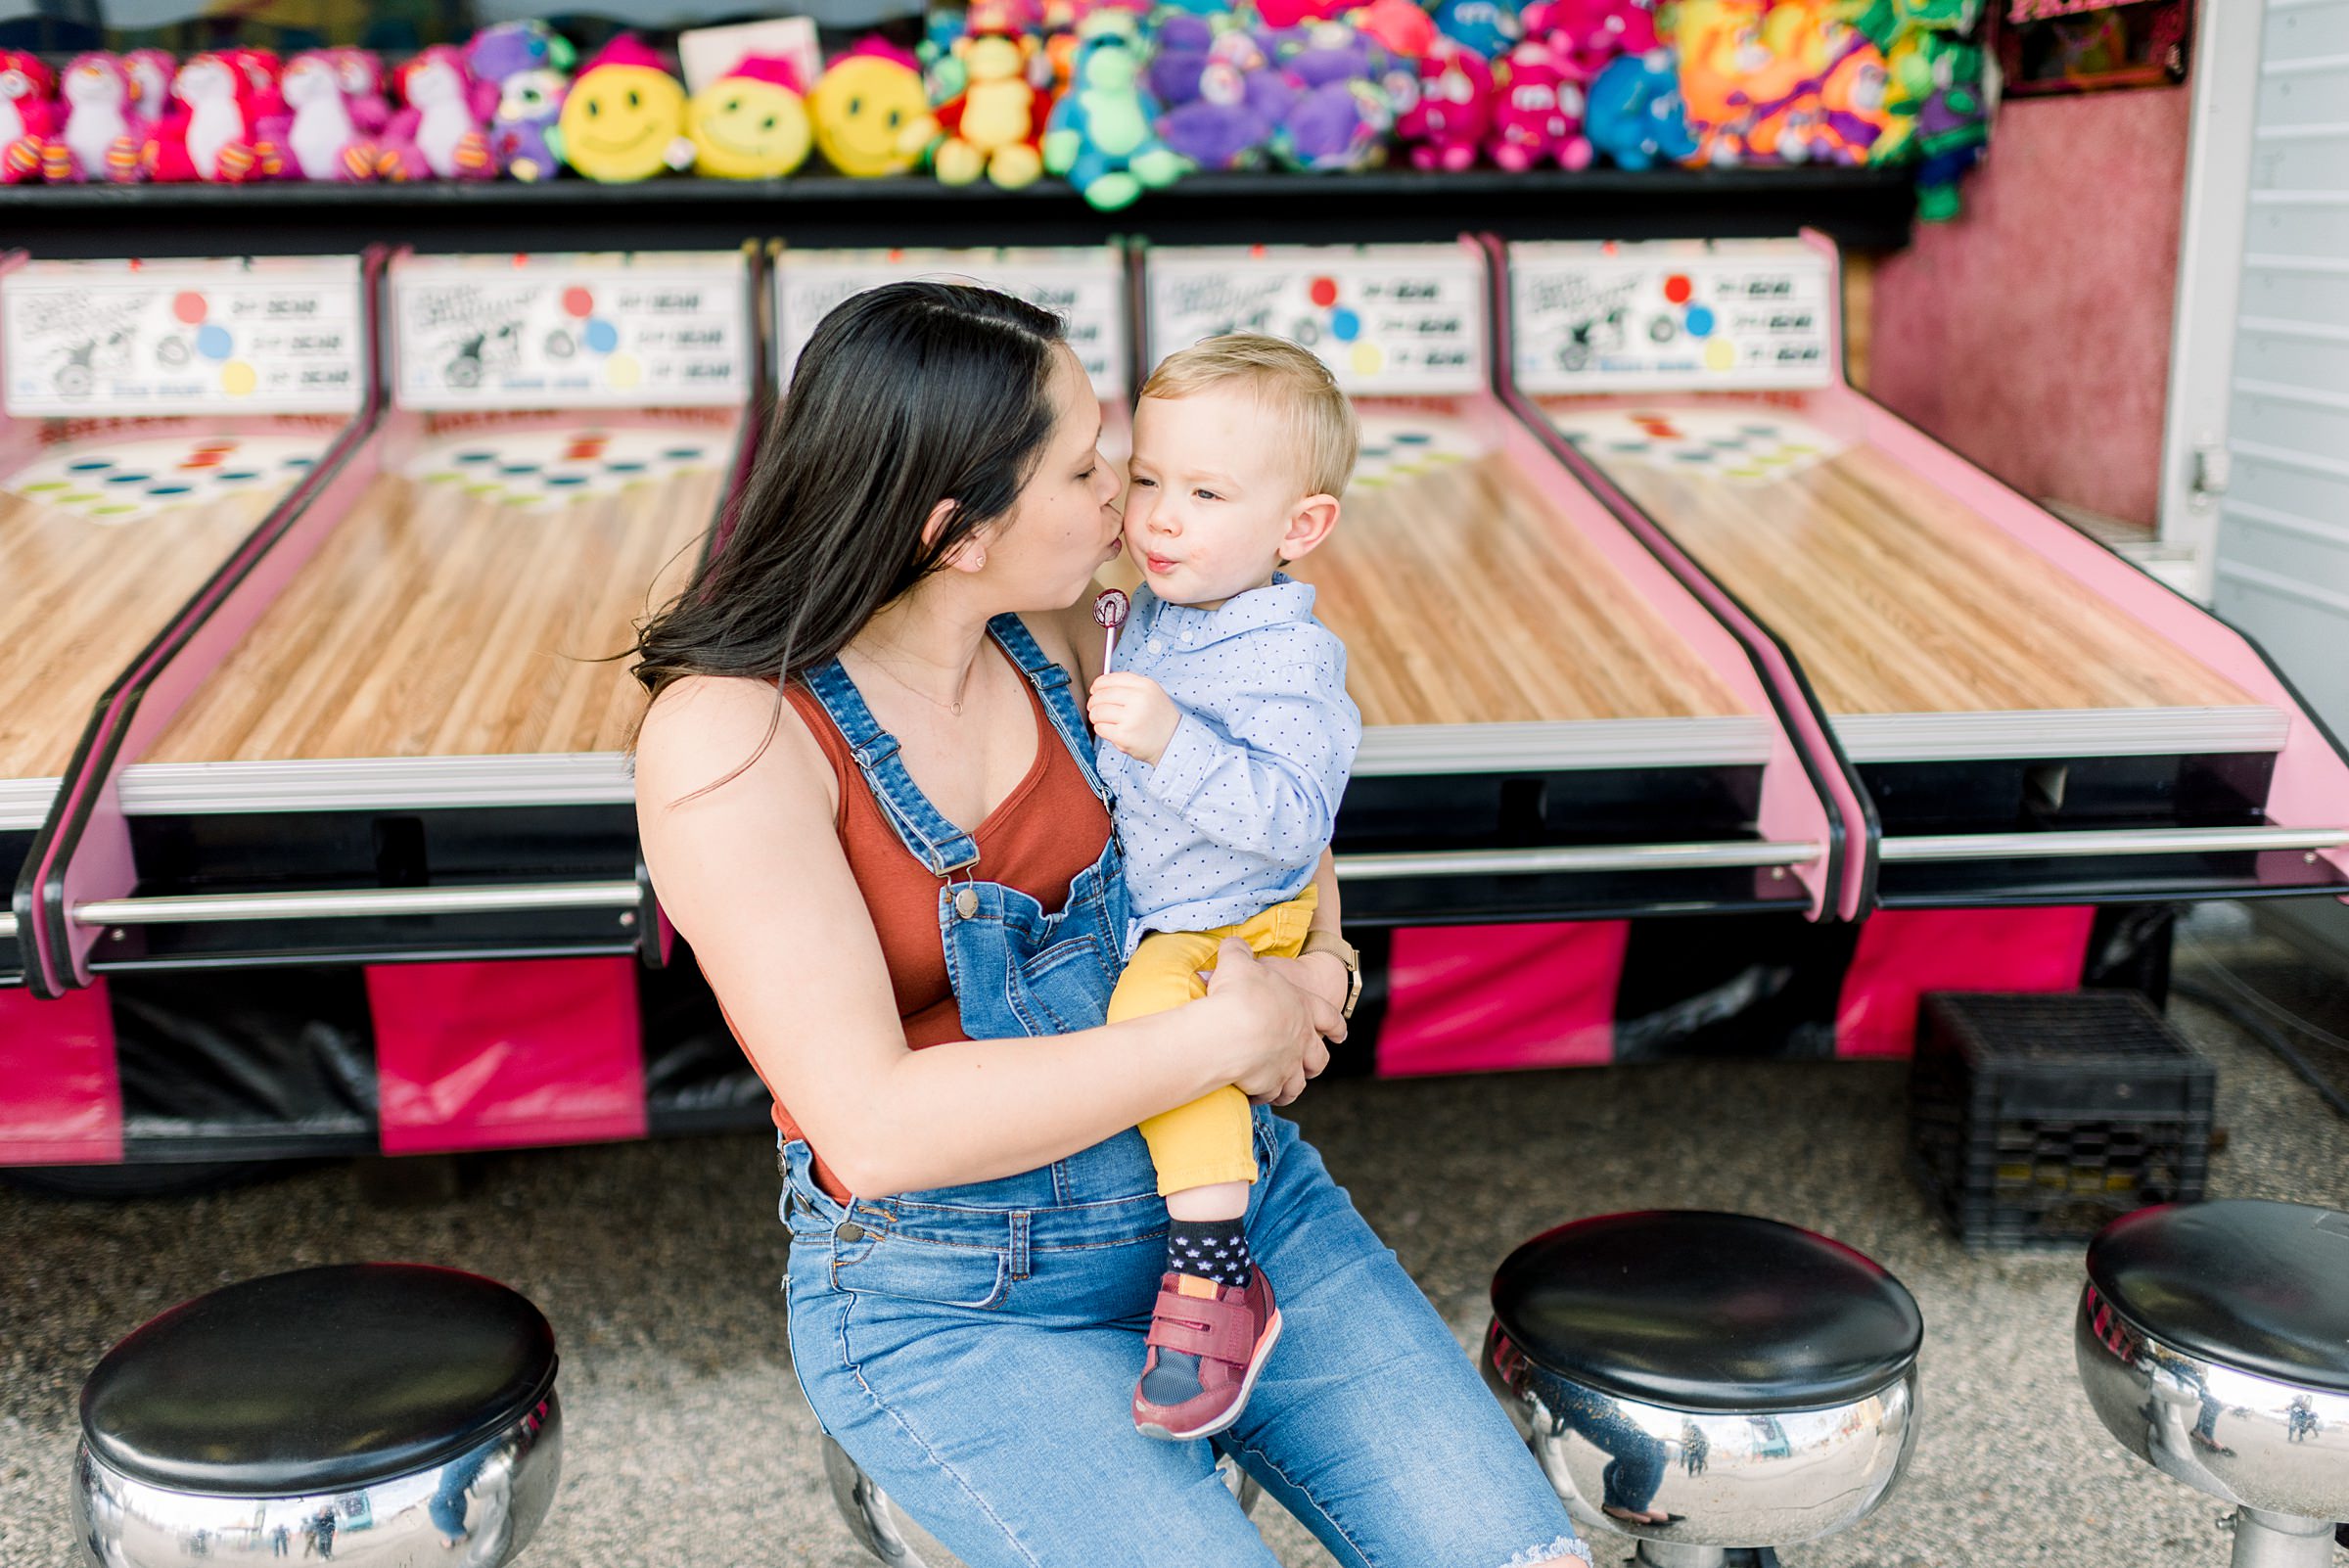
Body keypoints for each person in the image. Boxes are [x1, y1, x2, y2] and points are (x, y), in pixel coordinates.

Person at [631, 281, 1590, 1568]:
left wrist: (1318, 962)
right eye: (1088, 467)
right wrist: (1222, 1036)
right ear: (954, 529)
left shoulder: (1078, 632)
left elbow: (1271, 815)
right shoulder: (731, 737)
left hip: (1233, 1205)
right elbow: (877, 1121)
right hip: (959, 1295)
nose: (1129, 496)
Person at [1086, 333, 1361, 1442]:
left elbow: (1294, 820)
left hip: (1230, 915)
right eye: (1147, 479)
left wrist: (1168, 744)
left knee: (1156, 1017)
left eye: (1204, 492)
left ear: (1300, 528)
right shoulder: (1170, 602)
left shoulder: (1288, 661)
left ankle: (1214, 1272)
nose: (1160, 516)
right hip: (1178, 893)